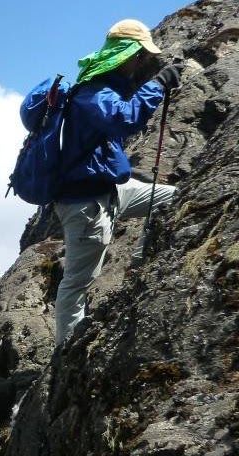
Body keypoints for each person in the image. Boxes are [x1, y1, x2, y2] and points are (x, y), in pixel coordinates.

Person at [54, 19, 183, 345]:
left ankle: (141, 266)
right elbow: (124, 119)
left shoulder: (104, 87)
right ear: (127, 54)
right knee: (77, 283)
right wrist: (158, 84)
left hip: (111, 191)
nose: (142, 63)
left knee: (176, 198)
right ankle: (62, 360)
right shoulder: (91, 92)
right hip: (86, 205)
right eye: (140, 56)